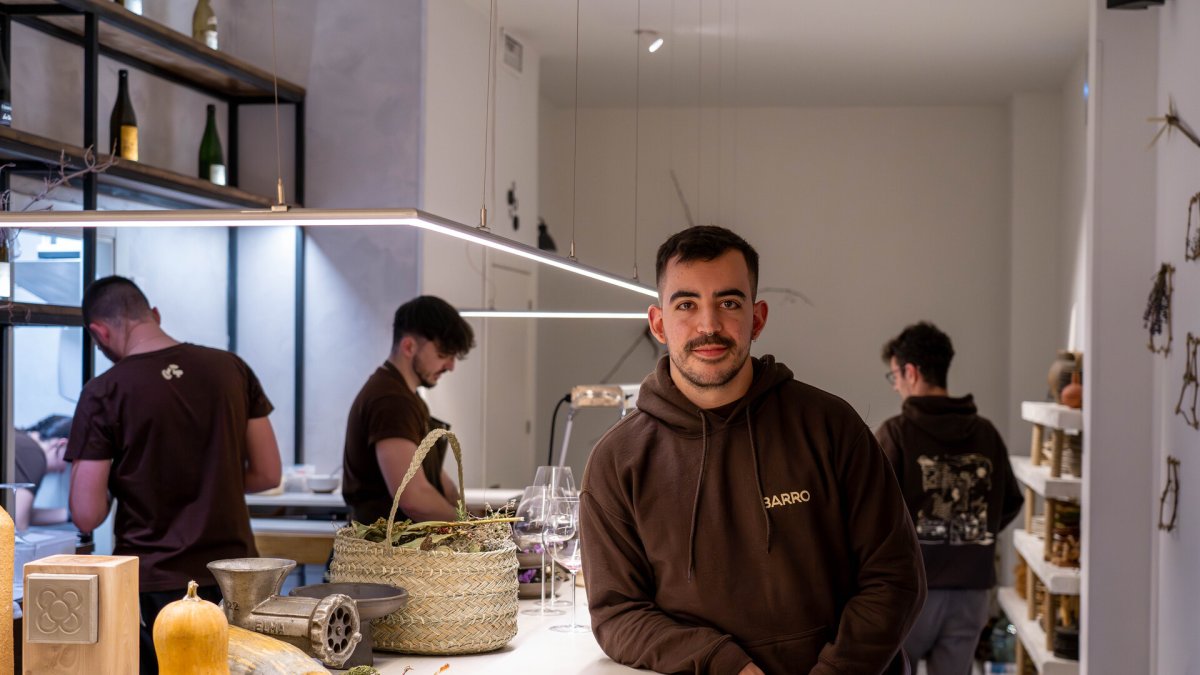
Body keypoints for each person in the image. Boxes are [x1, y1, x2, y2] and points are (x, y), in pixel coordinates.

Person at [580, 225, 926, 675]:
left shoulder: (832, 426)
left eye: (729, 303)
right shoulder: (617, 461)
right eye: (686, 304)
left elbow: (895, 578)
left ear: (757, 319)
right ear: (659, 324)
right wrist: (723, 663)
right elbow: (617, 613)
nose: (709, 326)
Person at [65, 275, 282, 675]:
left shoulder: (105, 391)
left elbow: (86, 513)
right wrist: (213, 479)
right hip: (236, 579)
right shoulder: (232, 369)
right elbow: (268, 473)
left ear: (100, 332)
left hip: (155, 586)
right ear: (155, 314)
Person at [876, 321, 1023, 675]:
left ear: (910, 372)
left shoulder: (896, 434)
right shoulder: (986, 433)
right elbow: (1010, 503)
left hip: (910, 591)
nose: (895, 385)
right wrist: (969, 535)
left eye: (894, 375)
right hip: (971, 591)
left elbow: (871, 512)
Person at [342, 295, 475, 525]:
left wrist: (474, 519)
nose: (450, 366)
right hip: (384, 547)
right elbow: (414, 498)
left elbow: (434, 477)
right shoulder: (391, 400)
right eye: (443, 355)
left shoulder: (407, 397)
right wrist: (471, 527)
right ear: (409, 346)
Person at [13, 414, 71, 531]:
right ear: (62, 444)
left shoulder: (18, 438)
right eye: (69, 460)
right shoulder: (33, 452)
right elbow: (18, 525)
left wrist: (72, 515)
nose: (63, 470)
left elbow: (20, 513)